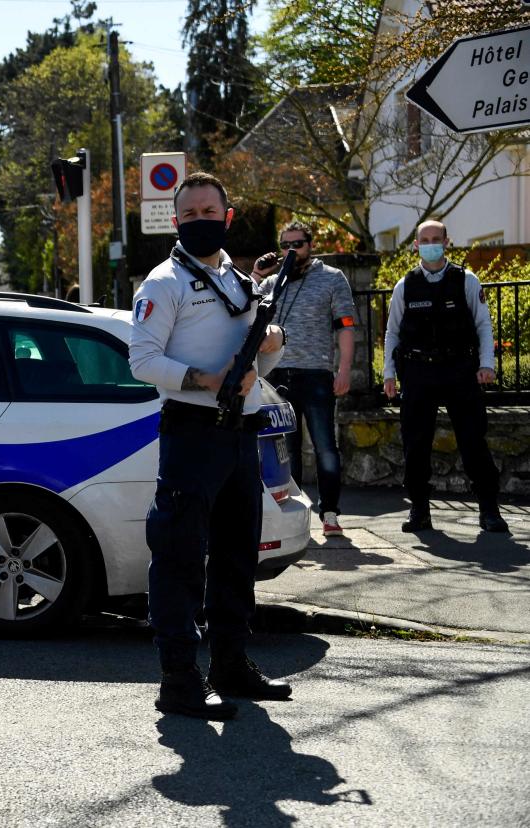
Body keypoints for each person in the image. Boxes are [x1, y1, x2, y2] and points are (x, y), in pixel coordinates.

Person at [129, 171, 292, 721]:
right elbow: (143, 361)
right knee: (177, 559)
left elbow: (255, 361)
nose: (201, 220)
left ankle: (231, 664)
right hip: (192, 434)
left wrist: (269, 347)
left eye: (209, 211)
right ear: (176, 222)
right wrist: (208, 379)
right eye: (190, 213)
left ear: (228, 217)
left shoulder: (237, 280)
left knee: (236, 556)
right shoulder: (162, 282)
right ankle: (179, 679)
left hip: (240, 435)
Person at [383, 220, 508, 534]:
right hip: (418, 373)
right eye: (424, 240)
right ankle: (420, 511)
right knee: (416, 444)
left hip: (459, 371)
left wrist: (487, 364)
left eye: (436, 239)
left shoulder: (466, 280)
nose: (430, 244)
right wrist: (388, 374)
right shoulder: (405, 285)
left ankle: (489, 510)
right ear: (416, 245)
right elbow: (392, 332)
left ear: (447, 242)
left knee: (472, 441)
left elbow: (483, 325)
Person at [251, 221, 357, 538]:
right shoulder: (272, 283)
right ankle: (295, 516)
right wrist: (257, 274)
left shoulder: (332, 279)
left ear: (310, 244)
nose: (291, 250)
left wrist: (344, 369)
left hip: (316, 374)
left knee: (325, 446)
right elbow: (242, 308)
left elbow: (346, 327)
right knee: (288, 450)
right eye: (285, 245)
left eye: (297, 244)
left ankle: (330, 512)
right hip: (277, 375)